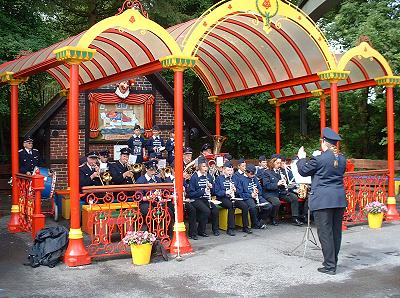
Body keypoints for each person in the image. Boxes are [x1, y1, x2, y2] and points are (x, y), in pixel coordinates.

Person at [297, 127, 347, 275]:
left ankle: (330, 266)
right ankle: (333, 262)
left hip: (323, 200)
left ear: (324, 142)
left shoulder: (319, 159)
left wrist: (301, 158)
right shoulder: (342, 159)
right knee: (336, 233)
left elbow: (303, 171)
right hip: (338, 199)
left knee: (325, 233)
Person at [262, 155, 303, 226]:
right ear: (273, 163)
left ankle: (295, 217)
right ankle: (273, 218)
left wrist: (286, 183)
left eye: (280, 163)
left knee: (294, 197)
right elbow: (266, 186)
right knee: (276, 202)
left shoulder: (282, 171)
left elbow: (287, 183)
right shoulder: (266, 172)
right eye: (277, 163)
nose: (279, 164)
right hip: (270, 193)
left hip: (281, 192)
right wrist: (277, 184)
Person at [215, 161, 252, 235]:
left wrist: (235, 190)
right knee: (231, 206)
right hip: (223, 198)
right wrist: (226, 192)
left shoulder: (235, 178)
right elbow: (216, 192)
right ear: (224, 170)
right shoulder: (219, 179)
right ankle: (230, 228)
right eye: (228, 170)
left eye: (231, 170)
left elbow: (240, 190)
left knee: (245, 206)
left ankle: (245, 227)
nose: (230, 172)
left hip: (234, 197)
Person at [189, 156, 219, 237]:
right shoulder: (194, 177)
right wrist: (202, 191)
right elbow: (191, 194)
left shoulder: (208, 176)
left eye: (206, 166)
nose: (206, 168)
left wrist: (211, 187)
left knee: (215, 210)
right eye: (203, 166)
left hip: (206, 199)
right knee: (206, 211)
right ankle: (200, 230)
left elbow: (214, 192)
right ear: (199, 167)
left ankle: (215, 230)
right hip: (196, 199)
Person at [237, 164, 267, 229]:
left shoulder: (254, 178)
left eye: (254, 174)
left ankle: (260, 220)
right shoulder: (241, 179)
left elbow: (260, 188)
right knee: (253, 207)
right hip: (247, 197)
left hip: (256, 196)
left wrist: (258, 191)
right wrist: (251, 195)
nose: (253, 175)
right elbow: (240, 193)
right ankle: (256, 224)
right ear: (246, 172)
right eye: (251, 174)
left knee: (268, 206)